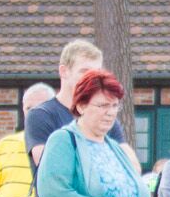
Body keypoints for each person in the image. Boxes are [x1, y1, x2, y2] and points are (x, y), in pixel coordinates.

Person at [26, 40, 132, 171]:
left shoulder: (105, 116)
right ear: (64, 71)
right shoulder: (41, 115)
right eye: (85, 72)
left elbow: (130, 164)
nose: (92, 79)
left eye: (96, 73)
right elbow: (49, 166)